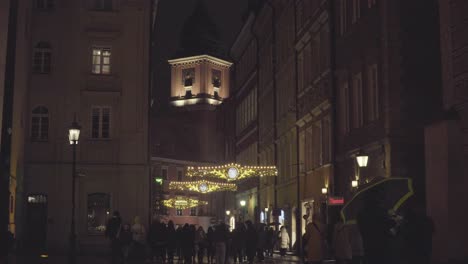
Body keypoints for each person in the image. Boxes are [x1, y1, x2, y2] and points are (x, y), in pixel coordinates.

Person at [357, 189, 394, 264]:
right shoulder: (382, 211)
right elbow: (386, 226)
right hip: (382, 249)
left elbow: (362, 230)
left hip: (368, 249)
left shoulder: (361, 214)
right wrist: (394, 221)